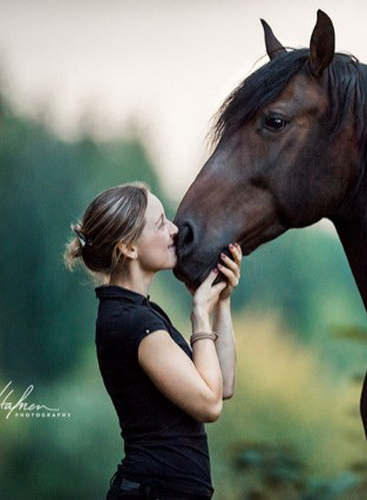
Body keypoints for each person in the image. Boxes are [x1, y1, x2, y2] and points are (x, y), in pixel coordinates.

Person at [64, 182, 241, 499]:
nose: (174, 230)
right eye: (160, 224)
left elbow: (223, 385)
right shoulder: (134, 323)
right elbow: (209, 404)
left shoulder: (138, 313)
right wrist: (199, 314)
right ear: (128, 248)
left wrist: (221, 302)